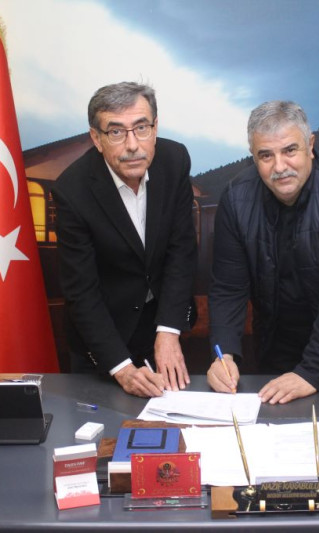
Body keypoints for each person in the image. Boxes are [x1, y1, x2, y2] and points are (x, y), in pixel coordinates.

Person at [207, 100, 319, 404]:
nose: (279, 167)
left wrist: (312, 371)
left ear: (310, 146)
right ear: (253, 156)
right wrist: (223, 354)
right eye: (266, 155)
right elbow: (228, 287)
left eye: (290, 150)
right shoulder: (235, 197)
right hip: (278, 340)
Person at [53, 82, 197, 398]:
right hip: (104, 338)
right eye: (116, 132)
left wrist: (168, 330)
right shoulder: (72, 191)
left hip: (160, 322)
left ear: (155, 128)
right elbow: (82, 291)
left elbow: (181, 251)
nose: (133, 145)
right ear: (97, 138)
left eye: (141, 128)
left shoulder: (175, 161)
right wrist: (121, 368)